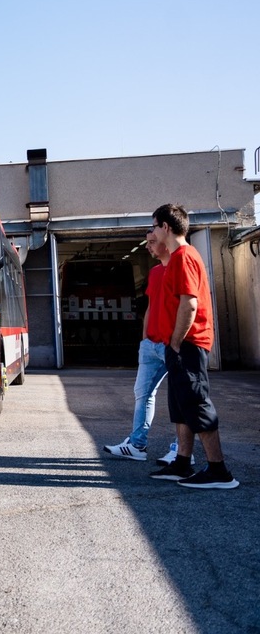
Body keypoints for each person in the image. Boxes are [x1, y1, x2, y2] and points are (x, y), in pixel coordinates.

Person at [148, 204, 238, 489]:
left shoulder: (184, 256)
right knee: (181, 406)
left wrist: (175, 342)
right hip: (177, 346)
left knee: (197, 404)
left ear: (165, 227)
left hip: (187, 343)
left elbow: (190, 303)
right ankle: (183, 464)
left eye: (154, 226)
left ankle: (219, 471)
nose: (152, 233)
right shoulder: (176, 257)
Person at [102, 228, 182, 463]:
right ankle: (137, 445)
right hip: (151, 346)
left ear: (166, 242)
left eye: (152, 241)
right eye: (146, 242)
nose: (147, 246)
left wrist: (176, 341)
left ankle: (181, 450)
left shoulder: (180, 267)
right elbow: (151, 307)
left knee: (181, 398)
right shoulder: (155, 273)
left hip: (174, 345)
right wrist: (145, 338)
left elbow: (188, 306)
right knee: (143, 394)